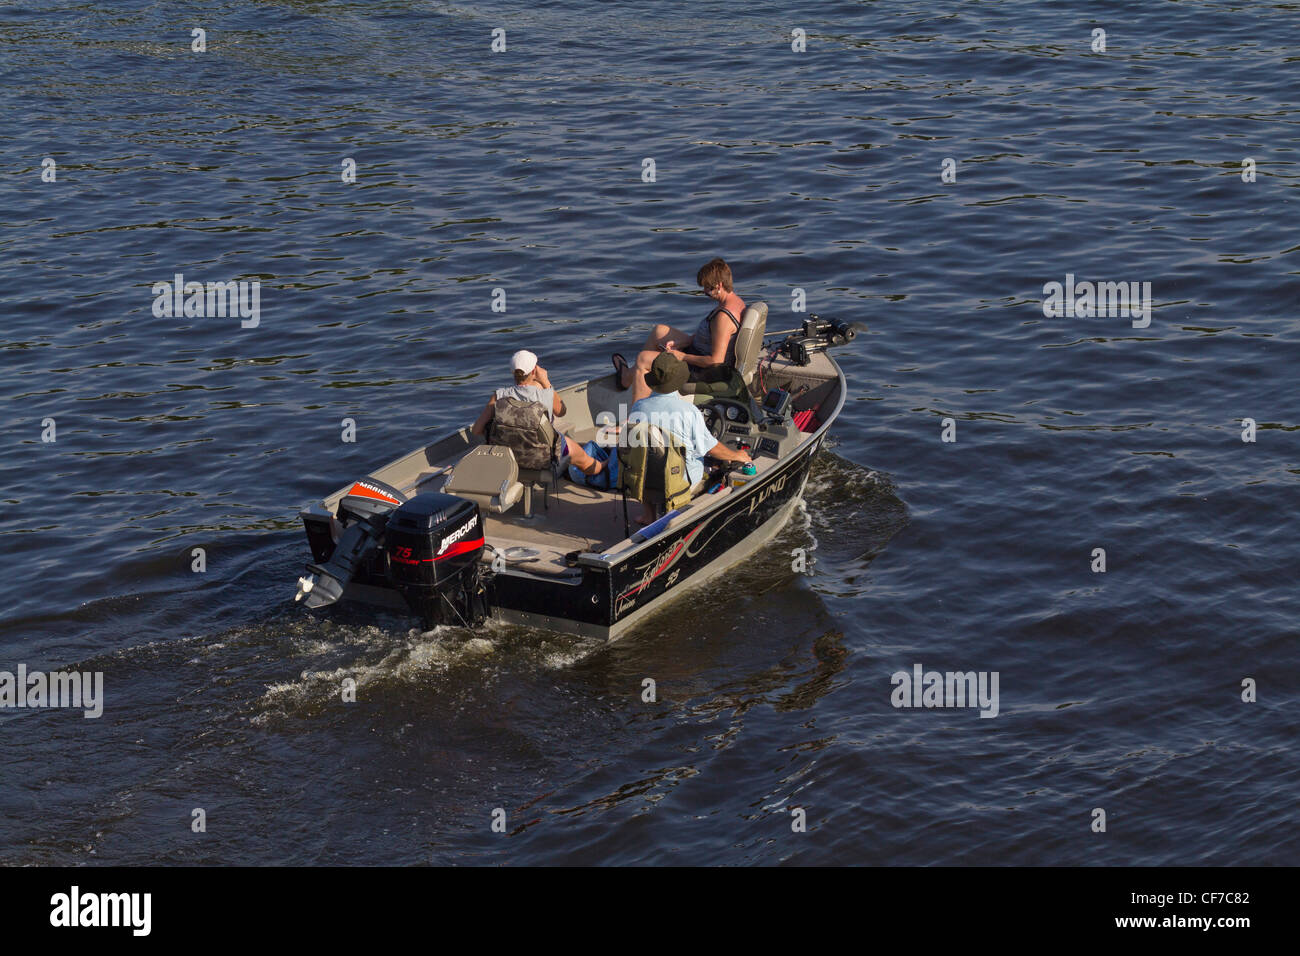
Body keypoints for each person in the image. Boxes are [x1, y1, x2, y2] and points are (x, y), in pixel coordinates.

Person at [625, 352, 751, 523]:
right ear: (678, 380)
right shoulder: (688, 411)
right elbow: (711, 448)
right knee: (716, 466)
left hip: (643, 480)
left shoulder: (638, 407)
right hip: (679, 481)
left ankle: (649, 515)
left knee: (647, 456)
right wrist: (737, 456)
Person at [613, 257, 747, 402]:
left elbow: (715, 360)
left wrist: (680, 356)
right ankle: (629, 379)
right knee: (659, 331)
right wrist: (684, 342)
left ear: (719, 285)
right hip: (697, 351)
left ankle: (638, 417)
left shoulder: (723, 318)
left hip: (701, 371)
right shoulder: (736, 302)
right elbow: (713, 336)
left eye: (707, 288)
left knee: (643, 359)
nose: (704, 291)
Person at [471, 350, 604, 477]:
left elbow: (477, 430)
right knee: (581, 457)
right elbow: (562, 411)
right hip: (542, 458)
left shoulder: (499, 396)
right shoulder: (545, 395)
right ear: (534, 370)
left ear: (512, 372)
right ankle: (602, 466)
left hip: (507, 457)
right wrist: (545, 381)